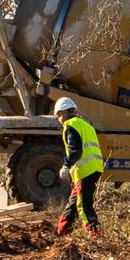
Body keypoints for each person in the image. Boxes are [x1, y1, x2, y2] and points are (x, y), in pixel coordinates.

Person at [53, 96, 103, 238]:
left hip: (84, 170)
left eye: (58, 116)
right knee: (75, 199)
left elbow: (76, 150)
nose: (58, 119)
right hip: (95, 167)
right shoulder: (85, 124)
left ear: (63, 113)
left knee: (83, 204)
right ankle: (63, 228)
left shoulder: (71, 125)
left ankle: (94, 234)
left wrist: (66, 166)